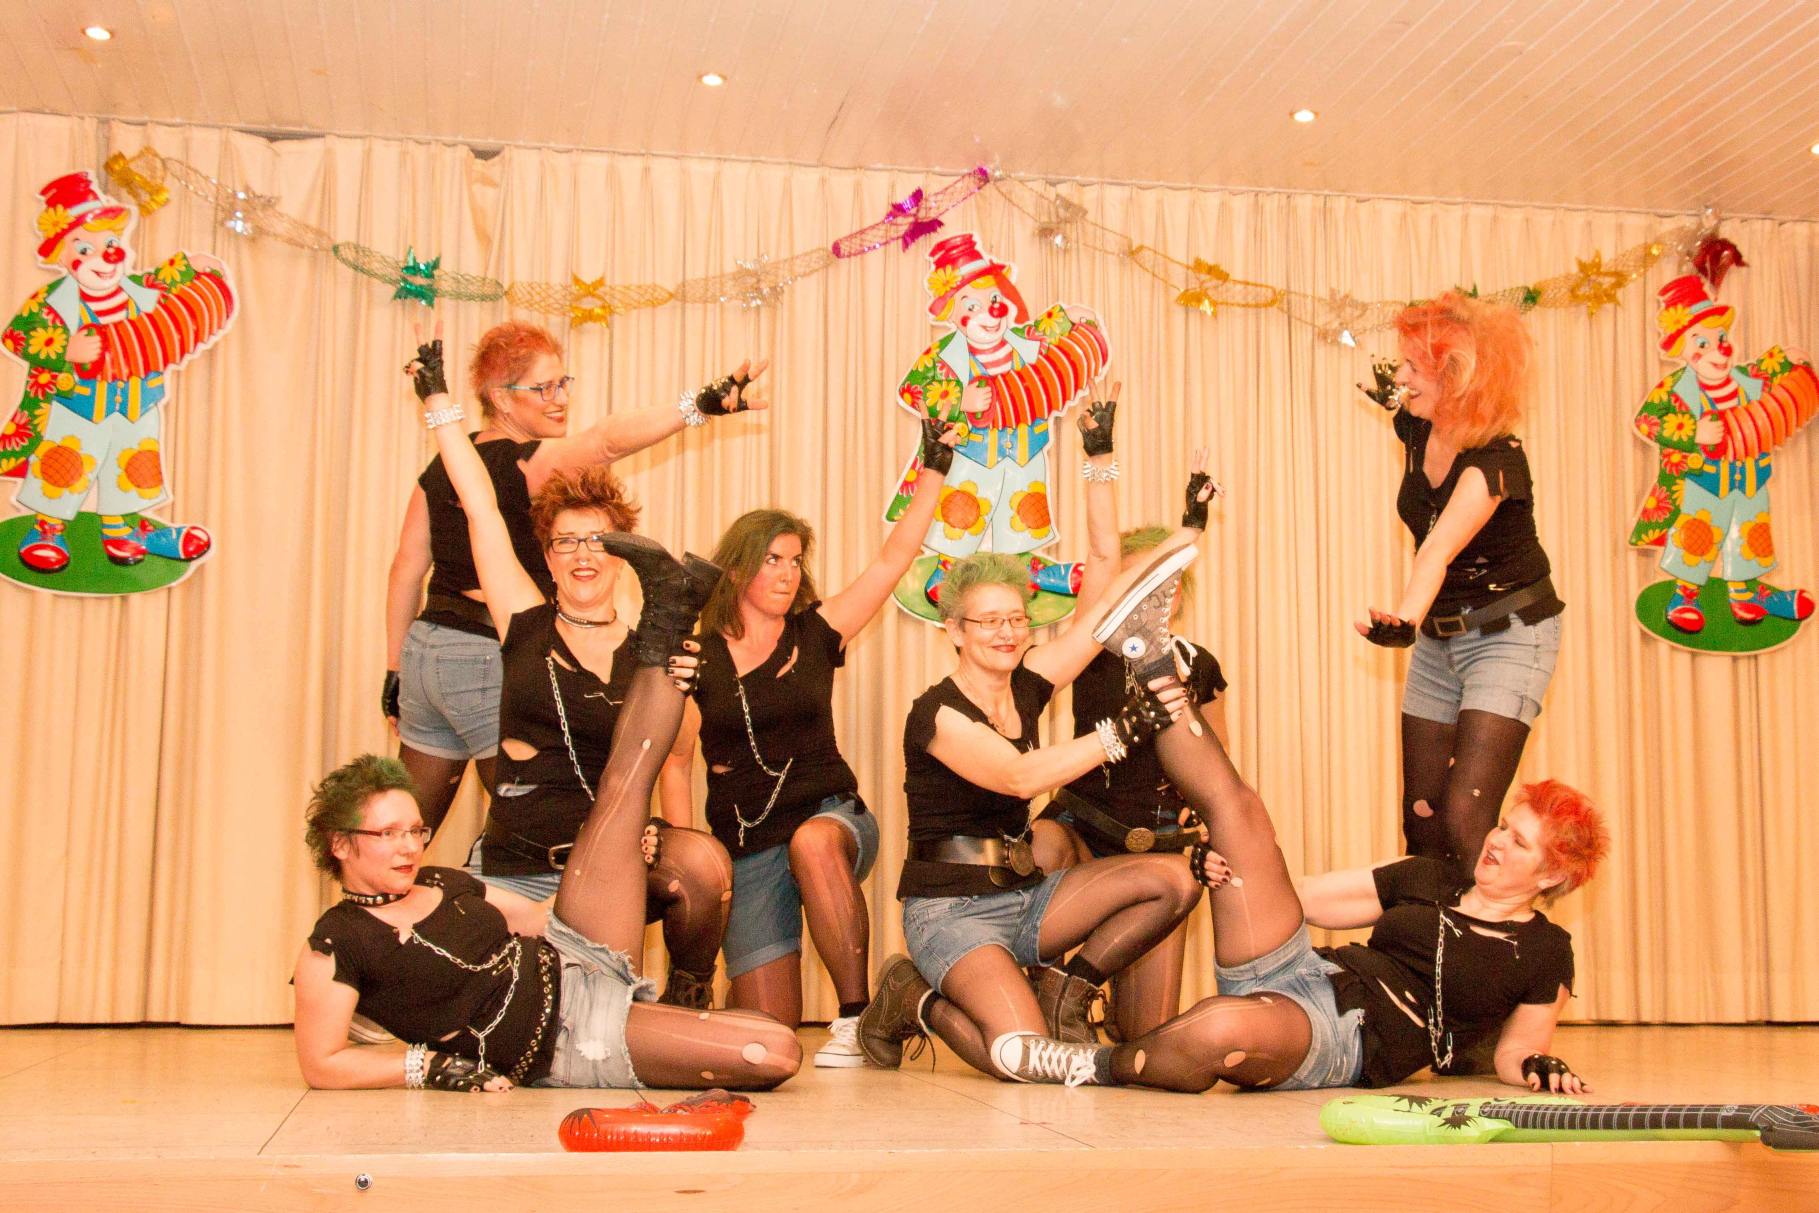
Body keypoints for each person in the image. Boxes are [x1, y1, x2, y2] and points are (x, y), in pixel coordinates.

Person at [293, 527, 802, 1092]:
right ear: (340, 843)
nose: (410, 846)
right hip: (563, 1039)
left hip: (576, 961)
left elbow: (544, 920)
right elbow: (322, 1064)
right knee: (774, 1047)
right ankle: (673, 616)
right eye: (388, 833)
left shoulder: (443, 882)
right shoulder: (337, 942)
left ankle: (672, 614)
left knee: (621, 793)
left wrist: (613, 866)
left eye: (414, 830)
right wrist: (427, 1066)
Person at [403, 335, 733, 1008]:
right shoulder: (524, 622)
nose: (583, 554)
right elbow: (479, 504)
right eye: (566, 542)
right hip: (518, 873)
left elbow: (674, 752)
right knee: (438, 918)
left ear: (624, 555)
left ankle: (687, 997)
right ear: (546, 555)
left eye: (599, 541)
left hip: (612, 871)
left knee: (701, 861)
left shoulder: (649, 653)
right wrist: (437, 401)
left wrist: (676, 685)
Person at [857, 475, 1217, 1088]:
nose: (1006, 633)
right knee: (1023, 1056)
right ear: (955, 630)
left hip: (1025, 898)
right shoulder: (936, 713)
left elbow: (1106, 593)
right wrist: (1124, 729)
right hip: (952, 912)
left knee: (1175, 881)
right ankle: (913, 997)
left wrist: (1188, 529)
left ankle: (1068, 987)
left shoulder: (1028, 682)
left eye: (1015, 620)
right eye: (988, 622)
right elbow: (1019, 777)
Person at [383, 318, 766, 830]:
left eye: (563, 383)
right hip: (489, 655)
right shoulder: (527, 463)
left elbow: (406, 571)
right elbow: (605, 443)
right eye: (543, 388)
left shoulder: (442, 467)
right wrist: (696, 406)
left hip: (426, 652)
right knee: (545, 825)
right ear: (500, 398)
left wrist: (395, 670)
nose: (560, 398)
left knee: (403, 831)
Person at [671, 417, 961, 1064]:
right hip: (748, 840)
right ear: (736, 568)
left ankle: (857, 1017)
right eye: (771, 559)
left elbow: (892, 560)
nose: (786, 572)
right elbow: (676, 760)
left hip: (830, 817)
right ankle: (867, 998)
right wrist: (692, 861)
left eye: (795, 559)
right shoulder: (697, 653)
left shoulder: (815, 630)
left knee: (813, 842)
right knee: (766, 1035)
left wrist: (934, 466)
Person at [1031, 389, 1230, 1041]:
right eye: (1135, 582)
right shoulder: (1092, 645)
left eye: (1161, 581)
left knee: (1145, 1034)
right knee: (1033, 848)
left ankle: (1094, 990)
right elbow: (1101, 550)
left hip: (1156, 841)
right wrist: (1100, 455)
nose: (1148, 593)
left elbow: (1219, 769)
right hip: (1080, 825)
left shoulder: (1199, 664)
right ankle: (1038, 993)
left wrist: (1209, 829)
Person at [1358, 293, 1563, 878]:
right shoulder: (1417, 429)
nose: (1400, 378)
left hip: (1510, 635)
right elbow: (1400, 408)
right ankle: (1426, 931)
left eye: (1413, 367)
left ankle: (1488, 932)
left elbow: (1436, 551)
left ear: (1457, 379)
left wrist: (1404, 620)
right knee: (1421, 818)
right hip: (1441, 638)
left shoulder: (1496, 463)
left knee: (1464, 819)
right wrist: (1393, 391)